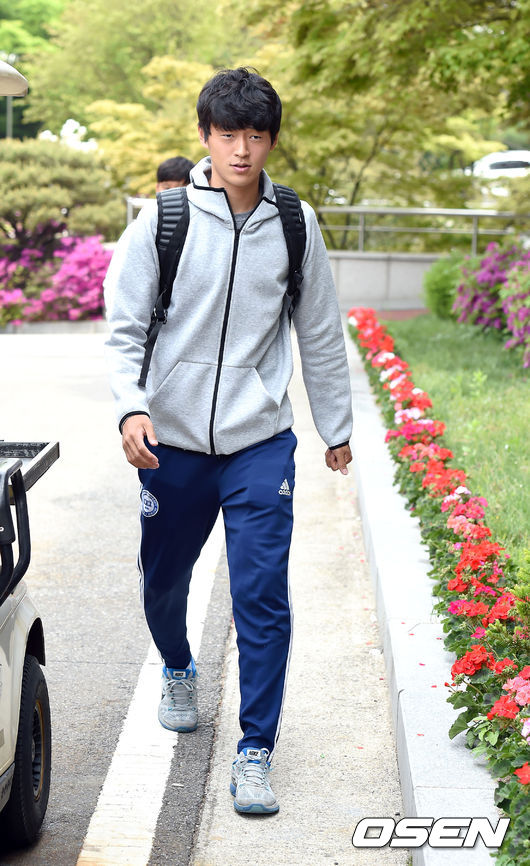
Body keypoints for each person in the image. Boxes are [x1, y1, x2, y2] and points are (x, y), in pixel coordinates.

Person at [104, 67, 353, 816]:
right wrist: (130, 409)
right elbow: (123, 330)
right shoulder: (164, 221)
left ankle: (255, 750)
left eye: (256, 135)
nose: (242, 149)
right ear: (205, 136)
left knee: (261, 594)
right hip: (171, 441)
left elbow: (320, 332)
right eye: (228, 134)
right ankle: (178, 666)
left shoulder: (295, 223)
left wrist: (335, 427)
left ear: (271, 140)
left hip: (259, 441)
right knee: (162, 581)